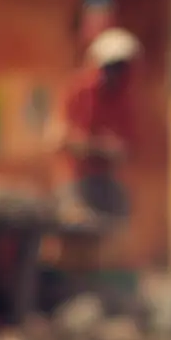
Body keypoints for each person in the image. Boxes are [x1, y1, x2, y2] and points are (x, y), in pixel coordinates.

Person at [53, 26, 140, 229]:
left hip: (105, 181)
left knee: (121, 217)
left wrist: (95, 146)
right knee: (77, 224)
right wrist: (99, 146)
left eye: (121, 68)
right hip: (75, 180)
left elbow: (125, 148)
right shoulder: (77, 91)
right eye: (111, 67)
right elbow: (59, 139)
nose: (115, 74)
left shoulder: (123, 100)